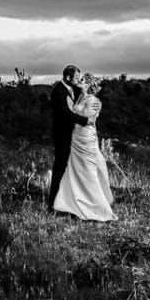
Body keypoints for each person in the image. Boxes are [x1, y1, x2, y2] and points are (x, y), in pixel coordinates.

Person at [52, 73, 118, 222]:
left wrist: (74, 113)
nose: (79, 81)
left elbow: (90, 119)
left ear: (88, 85)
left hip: (86, 138)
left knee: (87, 170)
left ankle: (97, 206)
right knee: (75, 170)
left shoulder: (94, 100)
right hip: (76, 137)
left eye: (82, 80)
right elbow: (75, 114)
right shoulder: (80, 97)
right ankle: (71, 203)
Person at [47, 65, 91, 210]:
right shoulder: (58, 92)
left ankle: (70, 200)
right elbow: (66, 114)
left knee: (72, 167)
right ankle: (52, 202)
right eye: (76, 78)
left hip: (75, 135)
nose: (78, 80)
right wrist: (85, 121)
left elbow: (81, 102)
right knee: (60, 167)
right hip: (62, 136)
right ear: (68, 77)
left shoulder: (74, 89)